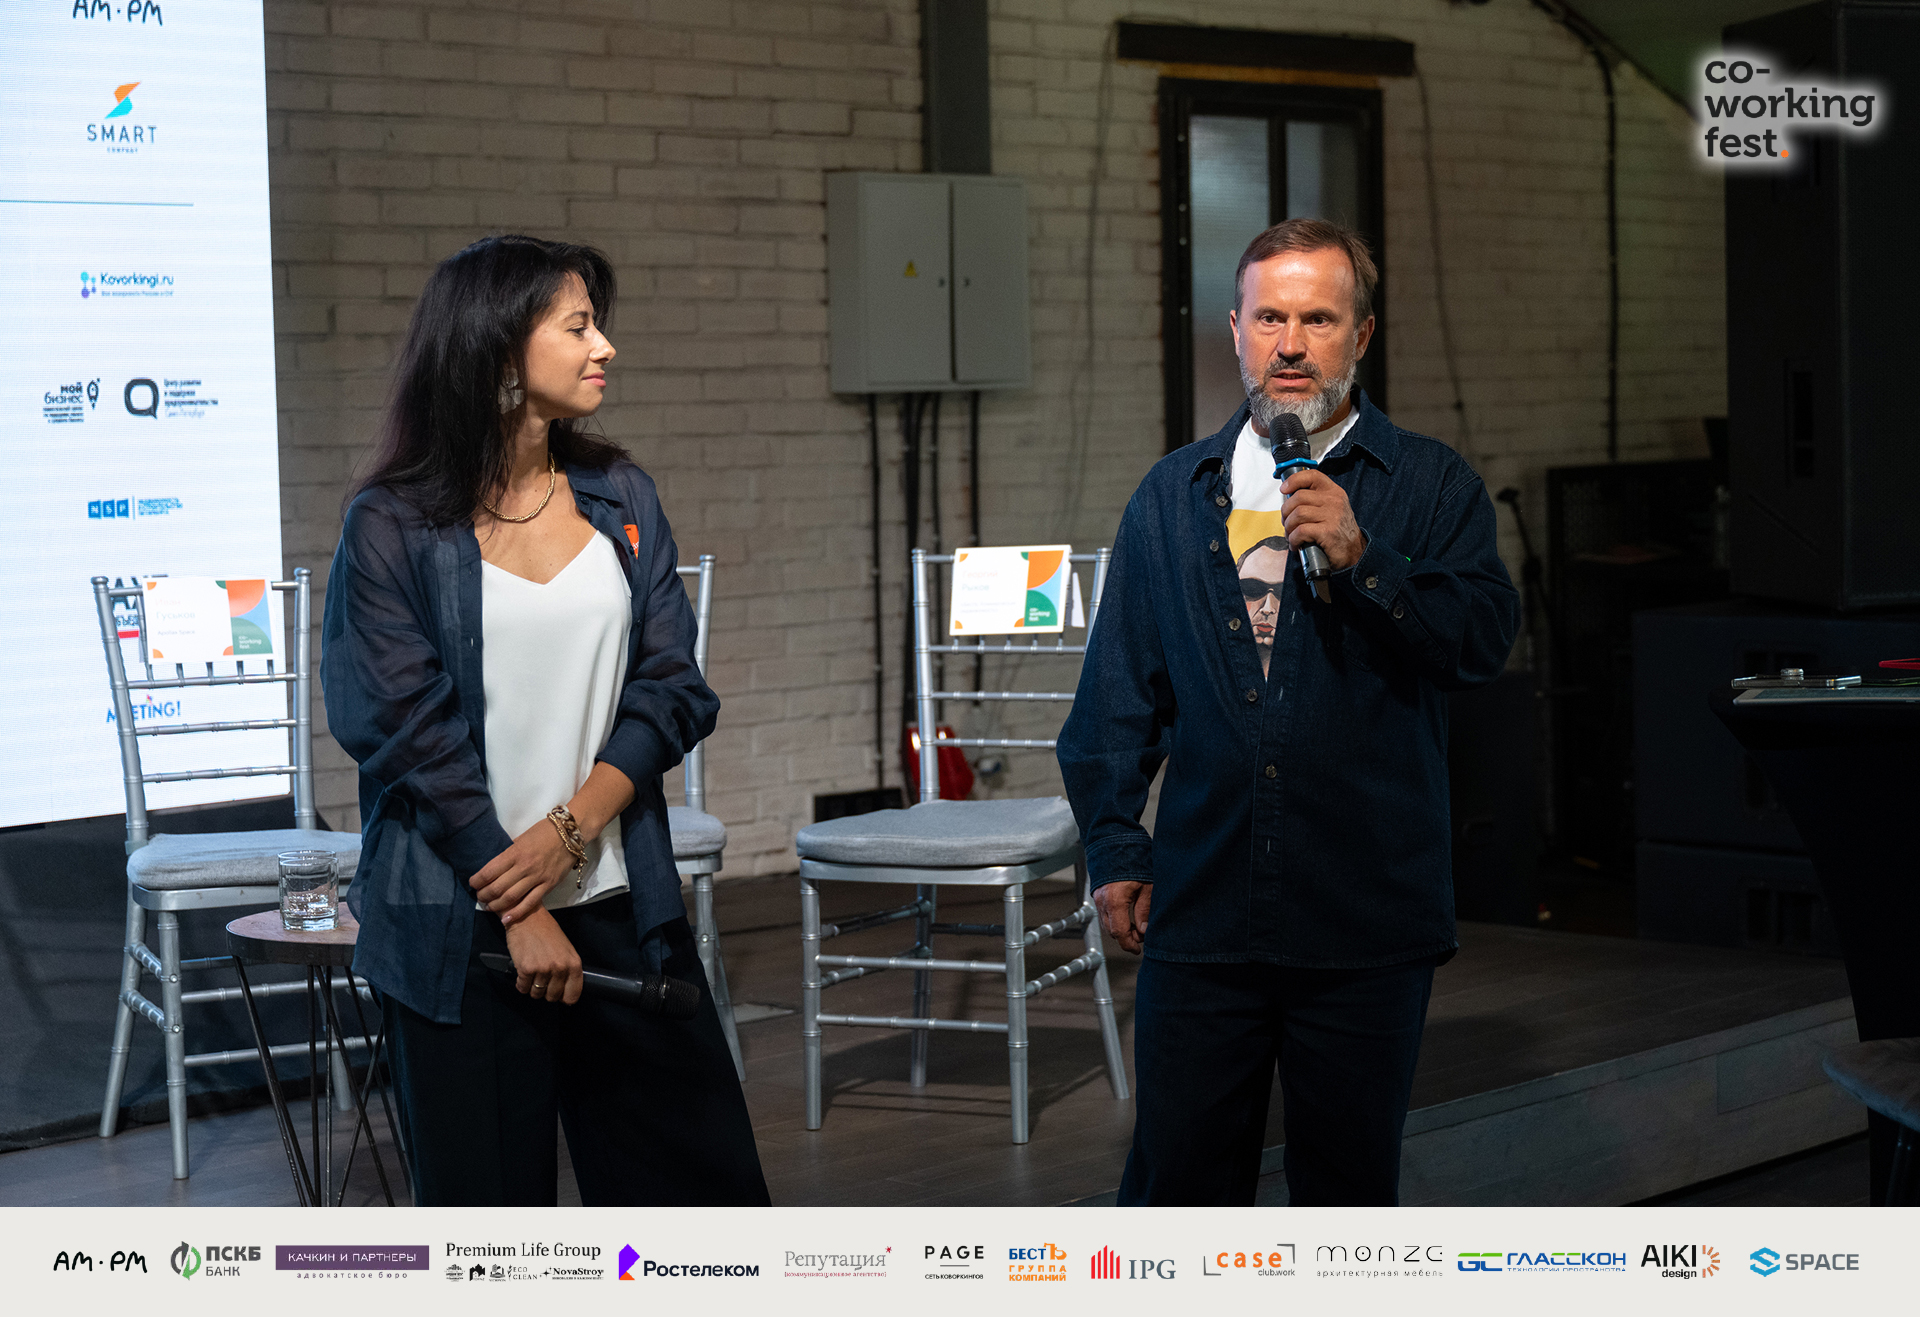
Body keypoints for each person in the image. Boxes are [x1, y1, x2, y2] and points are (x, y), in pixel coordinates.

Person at [1057, 218, 1519, 1206]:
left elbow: (1482, 645)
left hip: (1364, 920)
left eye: (1319, 318)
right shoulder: (1172, 496)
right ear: (1236, 331)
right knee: (1176, 1192)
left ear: (1363, 334)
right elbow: (1113, 700)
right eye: (1270, 317)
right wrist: (1117, 847)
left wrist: (1366, 561)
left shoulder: (1432, 486)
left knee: (1344, 1202)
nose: (1292, 344)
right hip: (1204, 913)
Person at [322, 234, 769, 1206]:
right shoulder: (392, 524)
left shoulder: (622, 496)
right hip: (462, 926)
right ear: (497, 350)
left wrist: (572, 830)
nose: (604, 346)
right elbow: (401, 727)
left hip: (621, 901)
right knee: (493, 1238)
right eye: (577, 327)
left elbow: (673, 685)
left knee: (704, 1215)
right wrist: (520, 906)